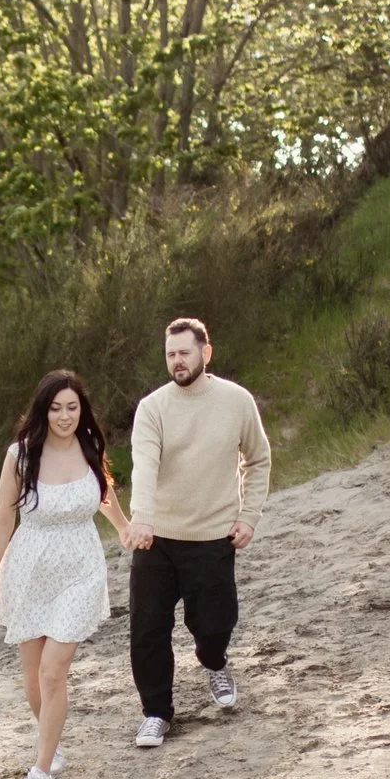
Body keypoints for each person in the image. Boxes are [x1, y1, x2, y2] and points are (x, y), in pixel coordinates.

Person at [0, 371, 132, 779]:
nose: (65, 416)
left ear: (82, 410)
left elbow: (103, 492)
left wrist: (124, 527)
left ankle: (41, 772)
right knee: (33, 677)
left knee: (52, 671)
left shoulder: (90, 445)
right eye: (56, 408)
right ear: (43, 410)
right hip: (30, 571)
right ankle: (52, 741)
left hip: (81, 570)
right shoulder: (21, 455)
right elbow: (3, 520)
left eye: (72, 407)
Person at [123, 317, 270, 747]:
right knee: (147, 629)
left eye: (184, 353)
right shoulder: (153, 408)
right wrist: (142, 517)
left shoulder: (236, 401)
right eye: (170, 354)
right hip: (157, 538)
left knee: (214, 624)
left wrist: (249, 516)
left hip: (212, 536)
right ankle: (156, 713)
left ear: (205, 352)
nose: (177, 361)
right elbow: (144, 465)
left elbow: (258, 459)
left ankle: (215, 662)